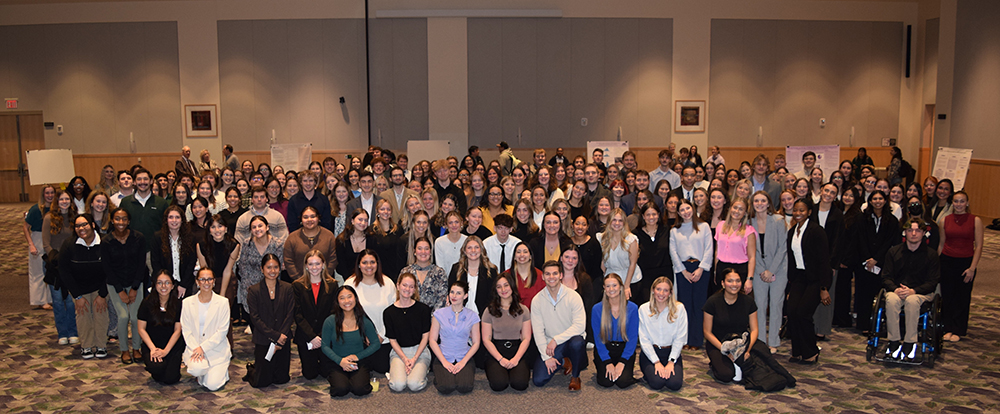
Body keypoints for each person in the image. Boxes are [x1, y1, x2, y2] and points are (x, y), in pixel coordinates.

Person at [881, 218, 940, 360]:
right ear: (905, 233)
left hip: (921, 292)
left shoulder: (931, 255)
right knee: (891, 300)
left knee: (912, 301)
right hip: (897, 291)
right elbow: (885, 277)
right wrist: (895, 289)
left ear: (923, 233)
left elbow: (932, 281)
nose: (914, 233)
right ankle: (893, 341)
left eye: (918, 230)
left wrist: (914, 291)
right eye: (910, 230)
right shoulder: (893, 252)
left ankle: (910, 342)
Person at [785, 198, 830, 365]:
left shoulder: (817, 231)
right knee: (792, 312)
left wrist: (824, 287)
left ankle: (811, 351)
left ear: (809, 212)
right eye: (795, 210)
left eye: (802, 210)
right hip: (798, 278)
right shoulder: (791, 232)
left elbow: (825, 261)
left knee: (803, 313)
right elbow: (791, 260)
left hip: (815, 279)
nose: (798, 213)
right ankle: (797, 351)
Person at [531, 261, 586, 391]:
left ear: (561, 275)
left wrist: (556, 340)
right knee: (538, 380)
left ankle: (575, 377)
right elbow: (538, 331)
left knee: (577, 342)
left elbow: (580, 326)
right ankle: (563, 362)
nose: (551, 277)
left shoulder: (574, 296)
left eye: (555, 273)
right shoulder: (537, 300)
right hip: (551, 346)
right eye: (548, 274)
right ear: (543, 277)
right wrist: (546, 357)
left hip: (570, 340)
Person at [102, 208, 148, 364]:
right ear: (112, 221)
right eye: (117, 219)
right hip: (116, 285)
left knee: (135, 318)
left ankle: (136, 348)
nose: (120, 222)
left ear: (128, 221)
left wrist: (135, 288)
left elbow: (141, 264)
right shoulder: (106, 241)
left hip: (136, 282)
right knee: (123, 317)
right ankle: (124, 350)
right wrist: (120, 291)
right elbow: (107, 268)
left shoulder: (138, 238)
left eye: (124, 219)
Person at [60, 215, 109, 359]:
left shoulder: (105, 242)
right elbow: (64, 271)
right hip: (79, 288)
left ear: (93, 225)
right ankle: (86, 346)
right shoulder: (69, 244)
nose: (81, 229)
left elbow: (112, 269)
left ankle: (101, 345)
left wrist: (102, 294)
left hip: (101, 287)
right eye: (77, 226)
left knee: (101, 313)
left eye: (84, 225)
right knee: (82, 314)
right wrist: (77, 296)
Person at [243, 254, 294, 388]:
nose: (272, 271)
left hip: (283, 338)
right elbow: (255, 318)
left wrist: (281, 336)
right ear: (262, 269)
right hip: (264, 338)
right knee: (262, 382)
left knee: (281, 379)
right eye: (269, 267)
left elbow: (290, 314)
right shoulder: (253, 291)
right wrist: (275, 336)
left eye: (276, 267)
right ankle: (251, 370)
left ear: (280, 268)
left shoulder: (288, 288)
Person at [938, 191, 983, 342]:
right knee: (948, 295)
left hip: (966, 263)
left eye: (962, 201)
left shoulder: (975, 220)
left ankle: (958, 329)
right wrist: (936, 264)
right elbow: (942, 243)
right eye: (956, 201)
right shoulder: (945, 220)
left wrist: (972, 268)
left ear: (967, 203)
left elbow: (979, 246)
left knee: (962, 297)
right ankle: (947, 327)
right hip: (947, 261)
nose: (958, 204)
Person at [322, 285, 380, 397]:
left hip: (358, 361)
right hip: (337, 362)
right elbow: (324, 346)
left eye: (349, 297)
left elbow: (376, 343)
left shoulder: (364, 320)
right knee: (340, 389)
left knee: (360, 389)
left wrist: (357, 357)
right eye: (342, 298)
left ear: (355, 299)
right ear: (337, 301)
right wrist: (340, 361)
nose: (346, 301)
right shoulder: (330, 321)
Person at [344, 249, 396, 374]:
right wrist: (364, 336)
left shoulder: (388, 283)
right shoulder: (350, 284)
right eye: (364, 262)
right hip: (359, 338)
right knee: (360, 369)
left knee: (382, 368)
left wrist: (381, 336)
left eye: (372, 262)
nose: (369, 266)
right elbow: (346, 314)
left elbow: (393, 315)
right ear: (358, 265)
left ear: (377, 264)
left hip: (383, 338)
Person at [670, 199, 713, 349]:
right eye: (682, 210)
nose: (685, 212)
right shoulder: (675, 230)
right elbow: (673, 252)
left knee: (699, 305)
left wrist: (701, 268)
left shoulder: (704, 226)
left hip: (701, 268)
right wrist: (683, 271)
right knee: (685, 305)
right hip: (683, 269)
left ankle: (696, 340)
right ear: (678, 213)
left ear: (693, 208)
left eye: (687, 208)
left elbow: (709, 249)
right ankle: (685, 340)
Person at [703, 268, 758, 383]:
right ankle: (714, 364)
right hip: (718, 344)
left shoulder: (748, 301)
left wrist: (748, 350)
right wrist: (725, 351)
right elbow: (707, 332)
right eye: (730, 281)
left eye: (737, 281)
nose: (734, 284)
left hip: (742, 343)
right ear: (723, 283)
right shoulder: (712, 302)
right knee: (726, 375)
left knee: (757, 371)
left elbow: (754, 330)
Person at [856, 191, 900, 334]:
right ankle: (863, 325)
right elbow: (860, 239)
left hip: (882, 263)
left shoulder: (892, 220)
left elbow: (890, 242)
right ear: (870, 201)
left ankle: (877, 325)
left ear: (885, 201)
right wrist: (868, 258)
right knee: (863, 294)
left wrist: (876, 259)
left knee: (879, 294)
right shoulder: (862, 218)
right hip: (864, 263)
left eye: (880, 198)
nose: (877, 201)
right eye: (874, 198)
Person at [291, 250, 339, 380]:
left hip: (326, 335)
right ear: (306, 266)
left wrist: (322, 336)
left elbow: (334, 312)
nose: (314, 267)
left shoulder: (332, 285)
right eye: (310, 264)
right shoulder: (297, 286)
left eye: (317, 263)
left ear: (323, 264)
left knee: (326, 373)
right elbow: (298, 314)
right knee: (310, 375)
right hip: (306, 337)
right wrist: (312, 336)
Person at [749, 192, 788, 353]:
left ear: (768, 203)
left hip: (778, 269)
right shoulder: (749, 222)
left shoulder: (778, 220)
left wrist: (771, 270)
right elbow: (751, 250)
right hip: (759, 269)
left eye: (763, 200)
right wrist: (762, 270)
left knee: (776, 305)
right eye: (756, 200)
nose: (759, 203)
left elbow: (782, 247)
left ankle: (773, 341)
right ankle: (760, 341)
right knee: (759, 304)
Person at [181, 268, 231, 391]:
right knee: (196, 369)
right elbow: (186, 330)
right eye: (202, 279)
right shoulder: (187, 303)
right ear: (197, 282)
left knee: (212, 386)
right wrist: (196, 349)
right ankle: (204, 372)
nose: (206, 282)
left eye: (209, 279)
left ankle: (221, 372)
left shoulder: (223, 302)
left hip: (216, 349)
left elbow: (222, 332)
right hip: (195, 349)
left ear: (214, 281)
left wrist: (203, 348)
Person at [481, 272, 532, 391]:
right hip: (496, 351)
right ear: (496, 290)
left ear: (512, 286)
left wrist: (516, 359)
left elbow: (526, 338)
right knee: (499, 385)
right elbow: (486, 339)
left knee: (520, 384)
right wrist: (500, 359)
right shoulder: (489, 311)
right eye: (499, 287)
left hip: (517, 350)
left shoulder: (523, 310)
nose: (503, 289)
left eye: (506, 285)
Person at [383, 273, 432, 392]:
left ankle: (423, 370)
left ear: (415, 289)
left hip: (419, 351)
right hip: (399, 352)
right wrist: (405, 359)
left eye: (411, 286)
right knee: (398, 385)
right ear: (398, 286)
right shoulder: (388, 312)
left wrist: (414, 359)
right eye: (404, 285)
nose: (407, 289)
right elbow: (392, 340)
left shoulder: (423, 309)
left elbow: (425, 337)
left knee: (414, 385)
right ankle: (399, 373)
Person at [43, 190, 79, 345]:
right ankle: (62, 333)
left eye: (67, 199)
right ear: (57, 202)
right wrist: (55, 258)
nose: (64, 201)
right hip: (54, 264)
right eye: (61, 199)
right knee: (57, 301)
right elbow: (46, 243)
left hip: (71, 263)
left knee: (71, 301)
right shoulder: (49, 218)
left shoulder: (75, 218)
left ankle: (73, 332)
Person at [638, 277, 687, 391]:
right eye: (658, 289)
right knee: (657, 383)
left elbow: (680, 338)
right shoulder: (644, 309)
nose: (661, 293)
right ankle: (648, 373)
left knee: (674, 384)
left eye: (665, 290)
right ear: (652, 291)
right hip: (651, 353)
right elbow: (644, 340)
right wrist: (656, 362)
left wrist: (671, 361)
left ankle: (667, 368)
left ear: (670, 293)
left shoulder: (679, 309)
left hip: (671, 352)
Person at [235, 215, 285, 325]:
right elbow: (243, 267)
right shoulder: (247, 243)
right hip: (251, 284)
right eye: (254, 227)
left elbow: (279, 267)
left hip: (272, 283)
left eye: (260, 226)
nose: (257, 229)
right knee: (255, 319)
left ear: (267, 227)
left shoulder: (277, 244)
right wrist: (251, 287)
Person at [592, 273, 639, 389]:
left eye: (614, 285)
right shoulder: (597, 309)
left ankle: (626, 368)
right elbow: (598, 339)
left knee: (623, 382)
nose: (611, 289)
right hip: (605, 348)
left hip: (624, 349)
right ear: (604, 288)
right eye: (608, 286)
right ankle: (601, 365)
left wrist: (622, 362)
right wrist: (607, 362)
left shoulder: (632, 308)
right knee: (606, 382)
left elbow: (633, 338)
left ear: (621, 287)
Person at [138, 271, 185, 384]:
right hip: (153, 345)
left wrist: (165, 351)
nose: (163, 286)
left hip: (172, 346)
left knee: (171, 379)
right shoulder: (146, 303)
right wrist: (153, 349)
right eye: (160, 283)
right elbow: (141, 329)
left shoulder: (178, 304)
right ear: (155, 285)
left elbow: (178, 330)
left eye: (167, 282)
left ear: (173, 285)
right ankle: (156, 368)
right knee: (157, 367)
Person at [812, 183, 844, 342]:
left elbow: (839, 241)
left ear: (835, 196)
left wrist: (832, 264)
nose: (828, 194)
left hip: (830, 262)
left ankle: (822, 329)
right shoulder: (811, 210)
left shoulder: (838, 215)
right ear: (821, 191)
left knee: (827, 296)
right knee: (811, 293)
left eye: (832, 192)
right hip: (811, 261)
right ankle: (811, 326)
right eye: (826, 191)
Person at [150, 205, 197, 298]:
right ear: (166, 220)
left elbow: (191, 263)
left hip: (185, 284)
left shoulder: (190, 238)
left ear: (182, 220)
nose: (174, 220)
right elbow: (155, 263)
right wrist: (166, 284)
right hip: (164, 285)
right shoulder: (157, 237)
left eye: (177, 217)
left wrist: (183, 285)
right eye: (171, 217)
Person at [119, 168, 169, 253]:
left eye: (145, 179)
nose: (142, 182)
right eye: (139, 179)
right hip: (131, 250)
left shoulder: (161, 203)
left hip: (155, 250)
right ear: (134, 182)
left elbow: (166, 227)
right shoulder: (125, 202)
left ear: (151, 181)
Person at [598, 208, 643, 300]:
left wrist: (626, 286)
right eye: (614, 220)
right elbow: (603, 261)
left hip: (630, 279)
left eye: (620, 221)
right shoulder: (602, 238)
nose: (617, 223)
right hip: (611, 279)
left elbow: (632, 264)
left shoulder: (631, 240)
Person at [714, 198, 756, 294]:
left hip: (740, 270)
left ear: (745, 213)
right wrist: (715, 271)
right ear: (730, 209)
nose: (737, 211)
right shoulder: (720, 225)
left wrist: (749, 279)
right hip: (722, 268)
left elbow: (752, 257)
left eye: (741, 209)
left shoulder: (749, 231)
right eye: (735, 207)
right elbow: (717, 251)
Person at [283, 206, 337, 280]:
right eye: (305, 217)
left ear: (318, 218)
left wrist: (324, 277)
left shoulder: (329, 236)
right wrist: (299, 279)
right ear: (301, 219)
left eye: (313, 216)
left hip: (325, 281)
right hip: (299, 283)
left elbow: (333, 259)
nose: (309, 220)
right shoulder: (292, 238)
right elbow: (288, 261)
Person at [24, 185, 55, 311]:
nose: (50, 195)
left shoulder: (56, 209)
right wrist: (31, 244)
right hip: (37, 238)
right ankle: (39, 300)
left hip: (52, 237)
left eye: (52, 193)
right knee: (38, 271)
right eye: (47, 193)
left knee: (51, 268)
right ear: (43, 194)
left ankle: (49, 298)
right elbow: (25, 227)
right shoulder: (36, 209)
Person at [634, 202, 671, 306]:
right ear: (643, 216)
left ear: (658, 215)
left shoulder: (666, 230)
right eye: (648, 214)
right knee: (647, 306)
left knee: (665, 306)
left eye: (654, 214)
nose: (651, 217)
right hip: (645, 278)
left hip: (665, 275)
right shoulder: (635, 234)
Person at [399, 236, 448, 310]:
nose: (423, 252)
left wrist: (433, 319)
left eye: (426, 249)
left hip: (434, 318)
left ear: (430, 252)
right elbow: (401, 296)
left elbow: (441, 300)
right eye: (419, 248)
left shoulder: (439, 273)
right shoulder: (406, 272)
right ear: (414, 252)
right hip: (409, 315)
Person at [334, 209, 371, 281]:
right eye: (360, 219)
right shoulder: (341, 240)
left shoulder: (372, 239)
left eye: (366, 220)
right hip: (345, 279)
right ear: (352, 221)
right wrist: (351, 281)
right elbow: (341, 265)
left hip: (368, 278)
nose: (363, 223)